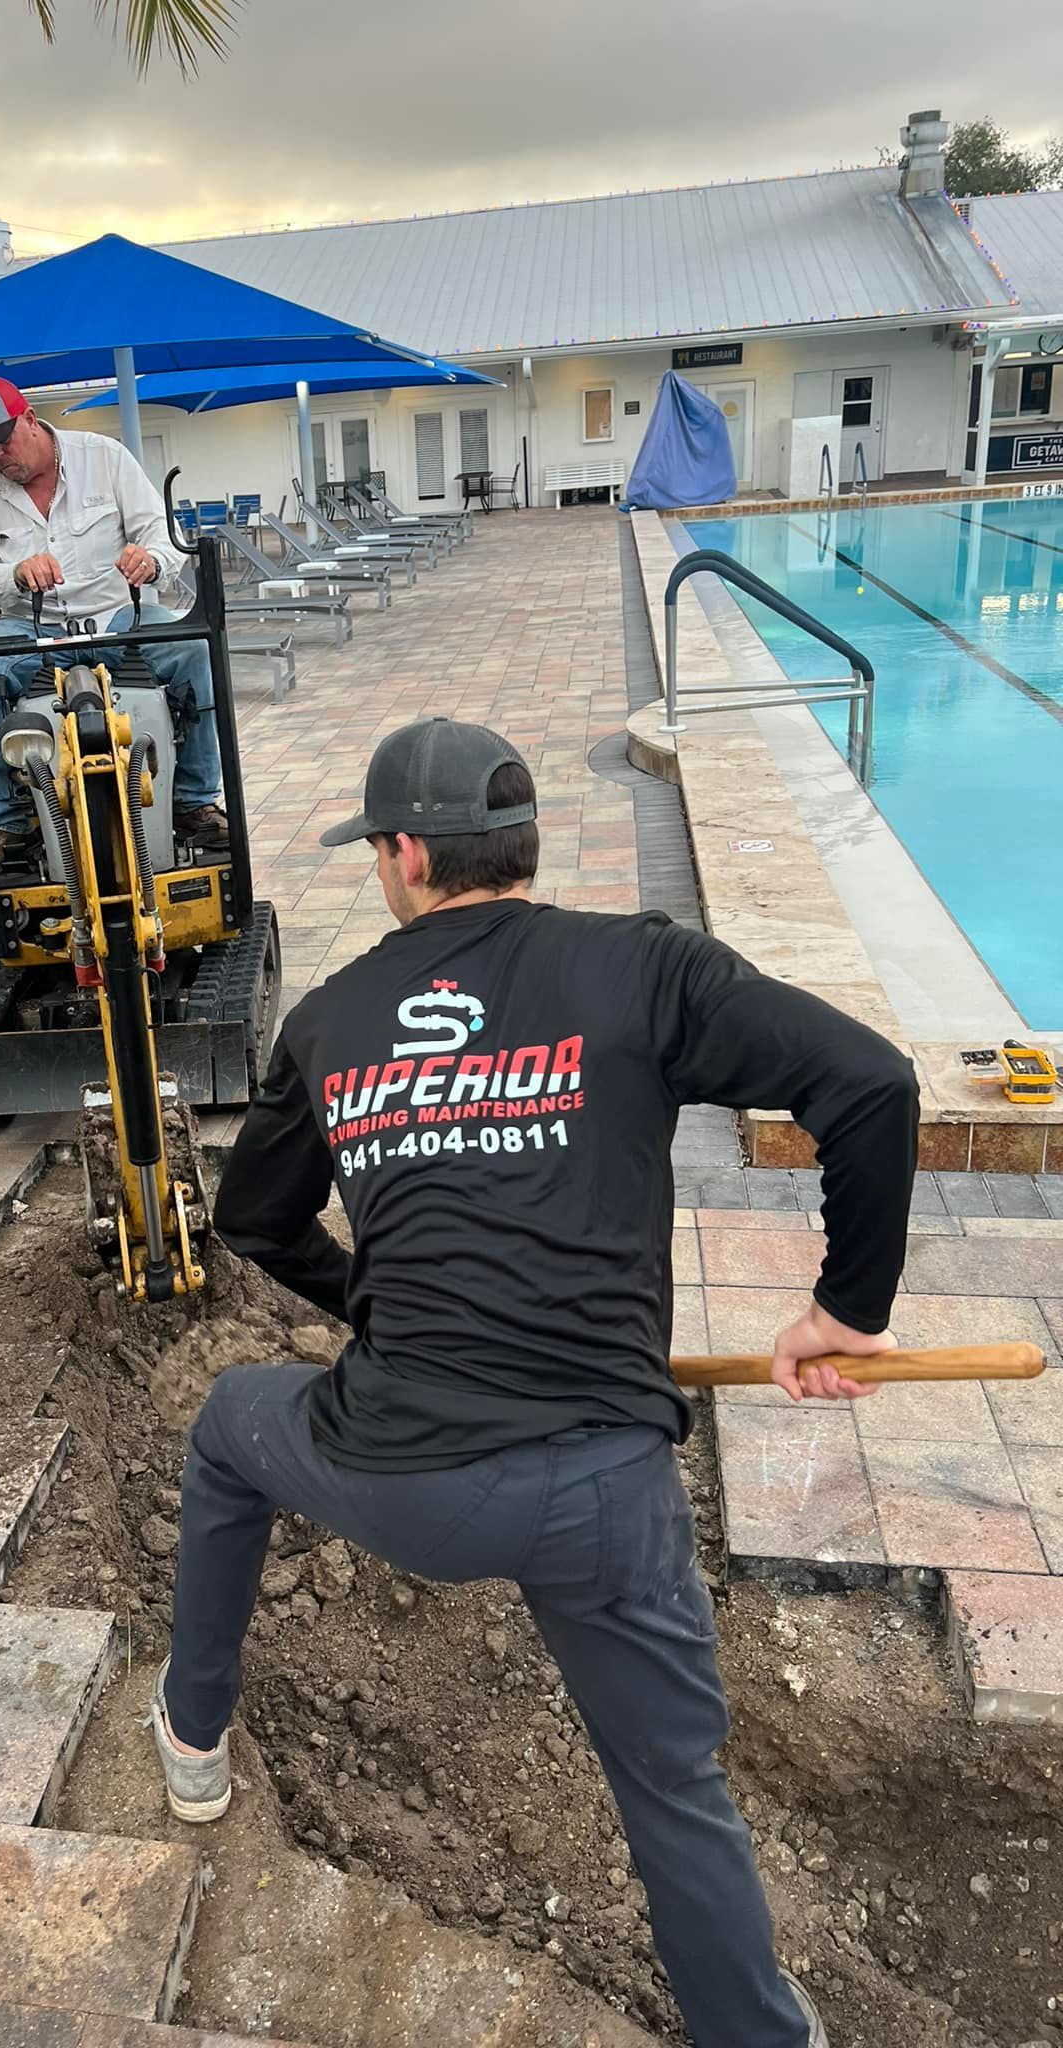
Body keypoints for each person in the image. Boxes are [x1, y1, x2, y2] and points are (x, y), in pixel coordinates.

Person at [149, 717, 920, 2048]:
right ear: (522, 845)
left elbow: (256, 1222)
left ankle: (193, 1737)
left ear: (403, 856)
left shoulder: (330, 1023)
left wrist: (376, 1305)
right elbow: (870, 1084)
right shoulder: (641, 971)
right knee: (673, 1789)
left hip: (404, 1480)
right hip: (607, 1491)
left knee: (230, 1428)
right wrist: (843, 1310)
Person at [0, 375, 227, 870]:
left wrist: (153, 561)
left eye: (2, 441)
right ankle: (4, 824)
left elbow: (162, 535)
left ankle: (194, 802)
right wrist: (13, 574)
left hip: (118, 617)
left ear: (30, 420)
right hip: (29, 630)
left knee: (194, 650)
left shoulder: (105, 457)